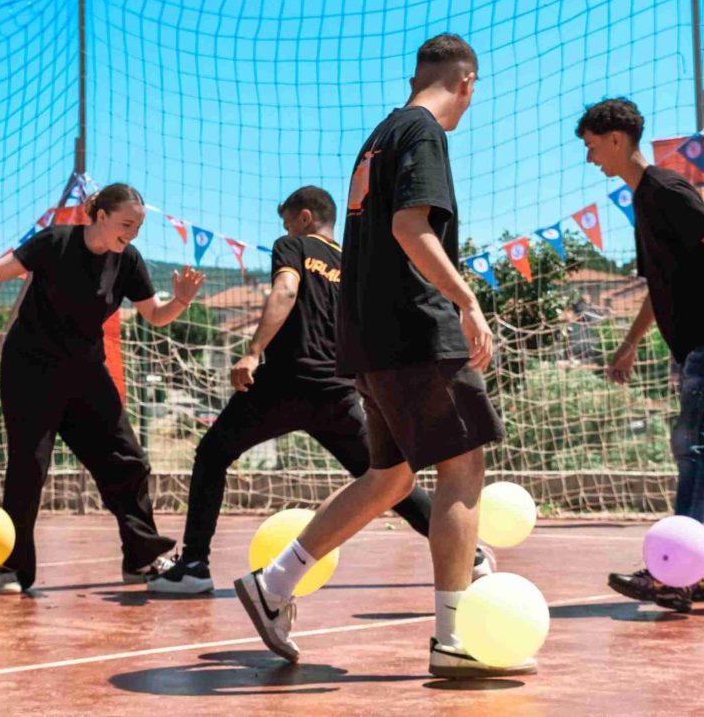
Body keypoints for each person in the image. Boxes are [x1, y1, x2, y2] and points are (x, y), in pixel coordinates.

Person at [233, 34, 533, 679]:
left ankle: (274, 583)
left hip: (368, 339)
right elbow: (409, 227)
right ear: (467, 82)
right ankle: (454, 637)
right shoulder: (424, 132)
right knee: (462, 470)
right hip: (415, 330)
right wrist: (466, 302)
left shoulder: (380, 136)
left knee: (390, 478)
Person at [149, 186, 492, 593]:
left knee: (211, 455)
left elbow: (286, 290)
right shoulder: (353, 263)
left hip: (284, 383)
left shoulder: (293, 246)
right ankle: (471, 557)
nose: (286, 230)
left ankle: (194, 565)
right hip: (338, 390)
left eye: (288, 222)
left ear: (305, 218)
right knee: (385, 481)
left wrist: (253, 352)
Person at [575, 99, 704, 612]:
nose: (590, 158)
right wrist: (628, 344)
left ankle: (674, 574)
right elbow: (658, 285)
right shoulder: (643, 200)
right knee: (700, 447)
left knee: (692, 444)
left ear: (617, 139)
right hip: (694, 341)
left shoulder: (666, 189)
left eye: (593, 146)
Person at [0, 183, 205, 594]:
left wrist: (180, 301)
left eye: (138, 227)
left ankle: (141, 559)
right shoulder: (56, 241)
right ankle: (10, 569)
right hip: (31, 370)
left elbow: (155, 315)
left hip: (85, 373)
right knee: (29, 468)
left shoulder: (128, 260)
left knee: (128, 460)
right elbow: (4, 267)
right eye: (126, 224)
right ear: (101, 216)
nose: (132, 234)